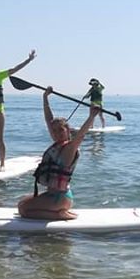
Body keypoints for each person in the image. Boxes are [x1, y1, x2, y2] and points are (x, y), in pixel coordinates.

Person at [17, 87, 100, 220]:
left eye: (60, 130)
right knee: (22, 202)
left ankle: (59, 215)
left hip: (60, 198)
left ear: (68, 130)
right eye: (54, 131)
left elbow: (80, 135)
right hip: (54, 195)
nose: (57, 133)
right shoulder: (58, 144)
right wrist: (45, 98)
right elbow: (48, 119)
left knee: (24, 210)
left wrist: (91, 117)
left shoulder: (69, 149)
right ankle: (58, 211)